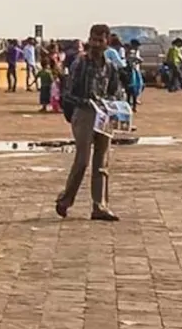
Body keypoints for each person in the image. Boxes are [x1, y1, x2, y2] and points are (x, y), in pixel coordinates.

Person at [55, 24, 122, 221]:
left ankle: (99, 205)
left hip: (104, 115)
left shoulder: (109, 66)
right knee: (83, 160)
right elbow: (68, 93)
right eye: (93, 39)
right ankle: (65, 200)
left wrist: (110, 104)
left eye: (100, 40)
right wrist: (88, 103)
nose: (96, 44)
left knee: (102, 162)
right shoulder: (80, 63)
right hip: (84, 113)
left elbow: (114, 90)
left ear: (107, 42)